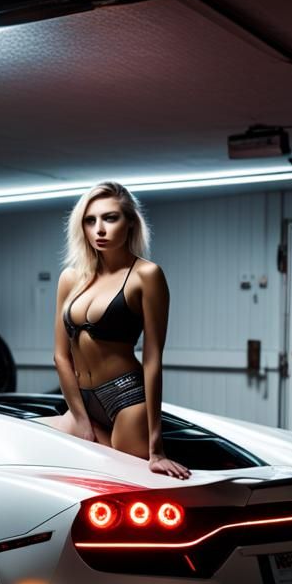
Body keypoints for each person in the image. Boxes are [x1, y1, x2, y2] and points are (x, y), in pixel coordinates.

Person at [50, 181, 191, 479]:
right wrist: (80, 417)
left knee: (128, 483)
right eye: (90, 221)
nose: (99, 229)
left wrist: (156, 448)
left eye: (110, 218)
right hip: (82, 399)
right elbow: (61, 356)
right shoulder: (70, 278)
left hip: (126, 396)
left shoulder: (146, 275)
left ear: (130, 222)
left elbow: (152, 359)